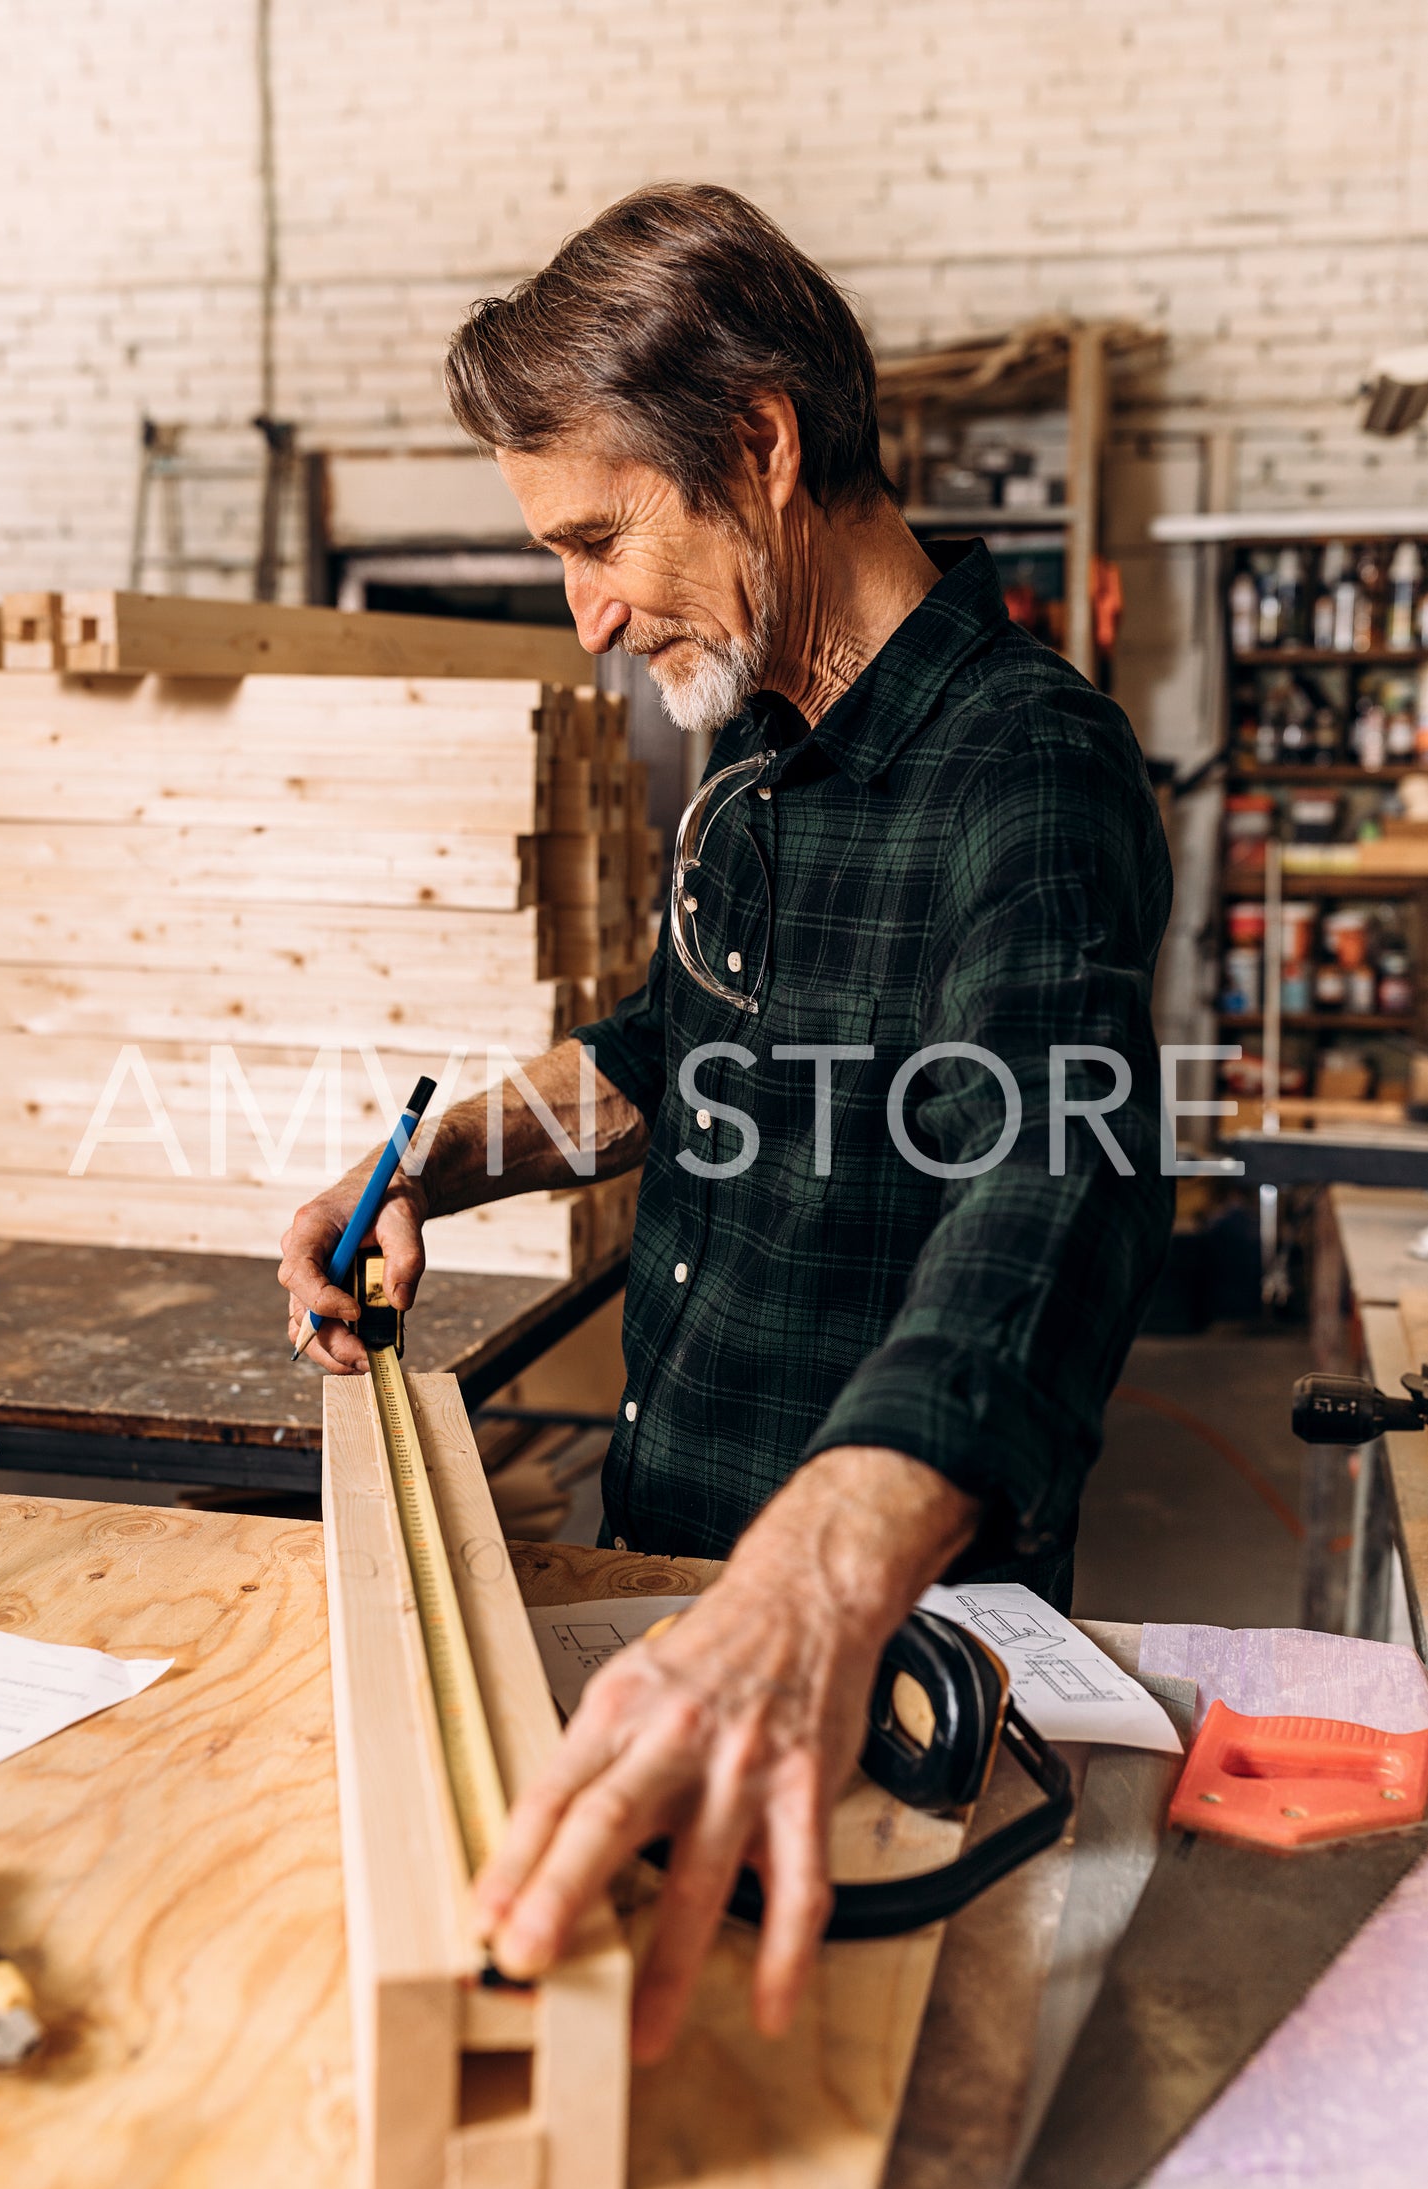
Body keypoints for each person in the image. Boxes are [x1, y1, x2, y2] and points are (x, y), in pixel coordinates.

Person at [279, 183, 1173, 2067]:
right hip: (669, 1585)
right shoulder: (753, 736)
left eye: (599, 538)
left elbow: (1059, 1177)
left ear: (759, 444)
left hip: (872, 1657)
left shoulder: (1026, 765)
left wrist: (817, 1574)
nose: (588, 619)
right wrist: (430, 1160)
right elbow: (676, 1041)